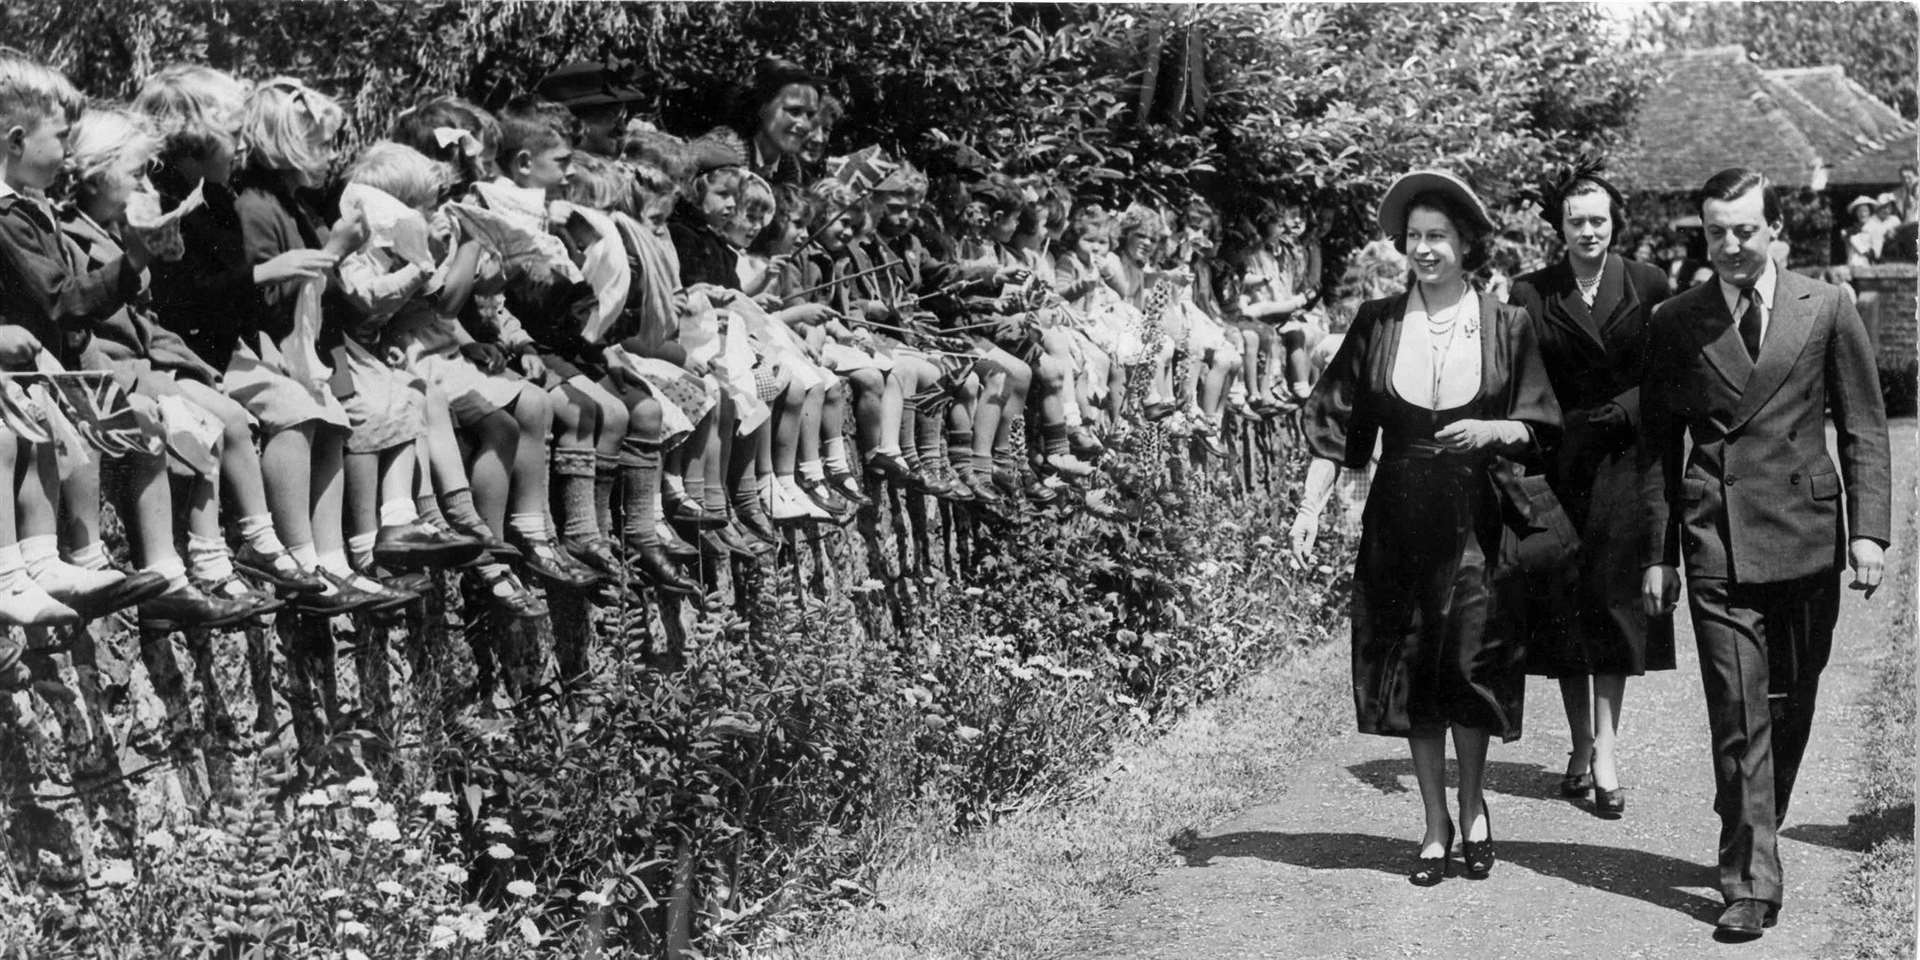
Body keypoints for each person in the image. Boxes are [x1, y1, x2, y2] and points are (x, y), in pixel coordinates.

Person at [1639, 167, 1890, 942]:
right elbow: (1656, 447)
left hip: (1808, 534)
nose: (1731, 245)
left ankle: (1754, 813)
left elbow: (1863, 427)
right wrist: (1661, 554)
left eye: (1745, 229)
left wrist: (1869, 531)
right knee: (1739, 711)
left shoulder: (1828, 307)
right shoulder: (1677, 320)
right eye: (1716, 232)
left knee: (1795, 697)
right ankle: (1749, 880)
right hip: (1718, 535)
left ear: (1774, 227)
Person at [1291, 169, 1561, 886]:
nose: (1424, 250)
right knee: (1413, 668)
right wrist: (1311, 509)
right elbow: (1333, 425)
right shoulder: (1379, 323)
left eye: (1437, 236)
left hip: (1478, 517)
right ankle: (1435, 825)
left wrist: (1492, 428)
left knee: (1470, 664)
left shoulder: (1508, 324)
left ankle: (1475, 809)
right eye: (1413, 238)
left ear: (1466, 242)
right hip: (1399, 522)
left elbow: (1540, 426)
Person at [1507, 168, 1674, 817]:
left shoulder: (1649, 284)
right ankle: (1579, 744)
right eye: (1576, 220)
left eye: (1598, 220)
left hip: (1625, 464)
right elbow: (1521, 374)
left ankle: (1606, 750)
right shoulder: (1533, 290)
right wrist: (1555, 425)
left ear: (1615, 223)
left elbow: (1671, 373)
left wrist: (1628, 410)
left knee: (1612, 609)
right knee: (1562, 610)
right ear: (1561, 226)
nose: (1587, 231)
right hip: (1560, 464)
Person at [1843, 195, 1880, 266]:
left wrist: (1865, 253)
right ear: (1856, 213)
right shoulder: (1851, 231)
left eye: (1865, 211)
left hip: (1868, 266)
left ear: (1870, 212)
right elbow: (1849, 251)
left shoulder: (1875, 228)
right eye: (1859, 211)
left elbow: (1876, 253)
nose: (1863, 214)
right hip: (1852, 265)